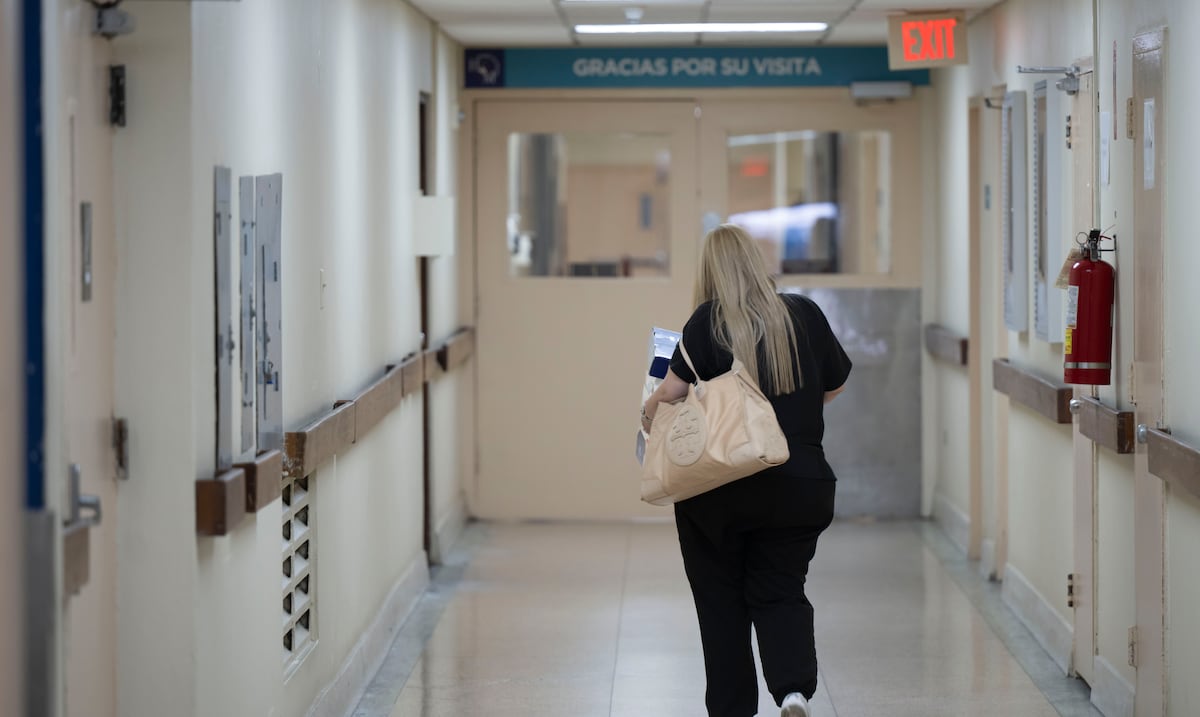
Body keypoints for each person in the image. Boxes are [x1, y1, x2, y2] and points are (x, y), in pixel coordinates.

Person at [640, 224, 852, 717]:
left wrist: (647, 413)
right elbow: (835, 386)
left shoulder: (705, 323)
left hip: (721, 490)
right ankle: (793, 691)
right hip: (801, 484)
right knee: (782, 588)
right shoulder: (805, 314)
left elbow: (669, 399)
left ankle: (733, 709)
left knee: (720, 603)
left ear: (709, 272)